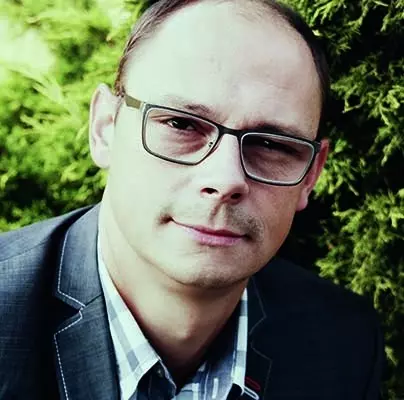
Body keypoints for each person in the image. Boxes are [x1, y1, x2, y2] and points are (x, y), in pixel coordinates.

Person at [0, 0, 384, 399]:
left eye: (272, 144)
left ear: (311, 175)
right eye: (180, 124)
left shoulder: (343, 344)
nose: (225, 179)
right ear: (105, 128)